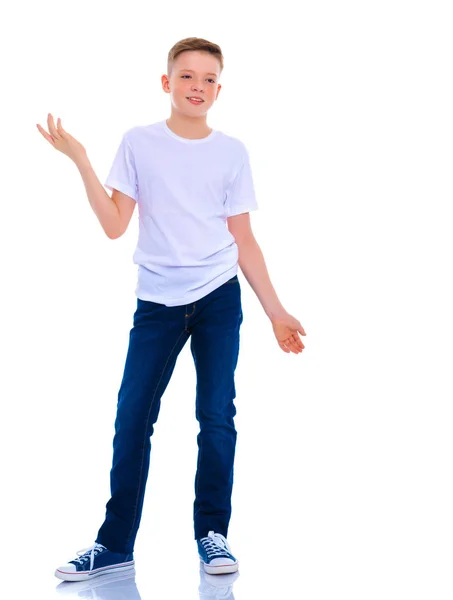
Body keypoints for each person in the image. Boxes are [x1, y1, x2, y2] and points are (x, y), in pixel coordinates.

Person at [37, 36, 306, 582]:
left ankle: (213, 534)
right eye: (187, 76)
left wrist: (276, 310)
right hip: (157, 302)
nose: (197, 87)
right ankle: (114, 544)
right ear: (167, 83)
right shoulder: (139, 143)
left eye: (208, 79)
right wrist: (82, 160)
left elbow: (244, 240)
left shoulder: (232, 152)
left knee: (216, 415)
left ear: (219, 89)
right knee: (133, 416)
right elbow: (115, 226)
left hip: (217, 298)